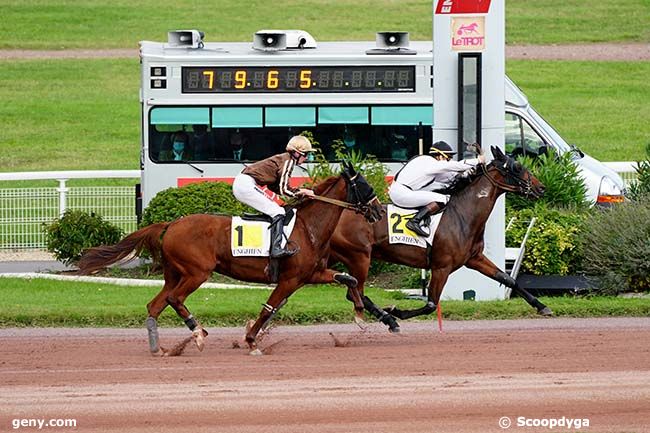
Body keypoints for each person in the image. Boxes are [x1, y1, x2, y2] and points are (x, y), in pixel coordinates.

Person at [232, 135, 316, 258]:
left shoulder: (285, 159)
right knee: (278, 212)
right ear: (296, 153)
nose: (306, 158)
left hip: (244, 182)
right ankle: (276, 249)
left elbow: (275, 187)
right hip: (245, 184)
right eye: (305, 154)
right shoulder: (288, 161)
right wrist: (302, 191)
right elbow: (284, 189)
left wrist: (298, 194)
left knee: (275, 210)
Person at [389, 140, 485, 237]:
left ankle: (422, 218)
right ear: (439, 156)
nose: (449, 161)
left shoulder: (429, 165)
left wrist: (469, 173)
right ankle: (415, 221)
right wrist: (477, 160)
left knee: (439, 195)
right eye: (448, 158)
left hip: (401, 192)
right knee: (444, 199)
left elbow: (450, 178)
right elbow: (454, 166)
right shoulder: (430, 162)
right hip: (402, 194)